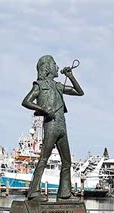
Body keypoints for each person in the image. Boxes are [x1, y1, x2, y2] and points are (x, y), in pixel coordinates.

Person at [22, 55, 84, 202]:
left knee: (67, 161)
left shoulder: (57, 86)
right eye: (55, 64)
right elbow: (26, 101)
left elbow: (79, 92)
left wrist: (70, 76)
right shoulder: (39, 85)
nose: (57, 67)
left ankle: (65, 194)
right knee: (44, 158)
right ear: (48, 67)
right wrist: (43, 109)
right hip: (50, 125)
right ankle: (33, 192)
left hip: (62, 126)